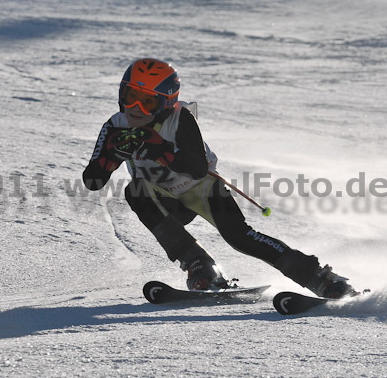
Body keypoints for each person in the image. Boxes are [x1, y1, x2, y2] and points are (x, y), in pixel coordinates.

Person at [82, 58, 357, 298]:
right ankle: (199, 266)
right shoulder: (115, 126)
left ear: (166, 103)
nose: (136, 109)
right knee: (136, 191)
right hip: (165, 201)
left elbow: (197, 168)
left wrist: (159, 149)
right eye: (130, 96)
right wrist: (111, 156)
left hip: (202, 190)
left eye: (148, 102)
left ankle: (319, 278)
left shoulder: (180, 120)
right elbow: (93, 181)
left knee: (241, 238)